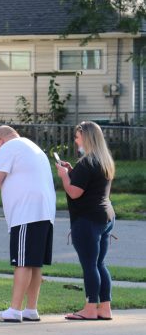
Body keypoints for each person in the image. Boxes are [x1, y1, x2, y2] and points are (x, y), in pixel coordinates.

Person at [0, 126, 56, 322]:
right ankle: (31, 309)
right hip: (45, 212)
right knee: (35, 263)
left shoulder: (8, 147)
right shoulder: (32, 147)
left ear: (0, 142)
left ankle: (14, 310)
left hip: (25, 213)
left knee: (22, 262)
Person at [56, 121, 115, 321]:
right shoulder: (103, 161)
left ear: (86, 137)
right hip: (105, 215)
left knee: (89, 264)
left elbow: (74, 192)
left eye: (77, 136)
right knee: (99, 263)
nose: (75, 140)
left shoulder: (86, 162)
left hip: (87, 219)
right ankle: (104, 307)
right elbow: (89, 185)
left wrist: (64, 176)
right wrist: (72, 172)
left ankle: (90, 308)